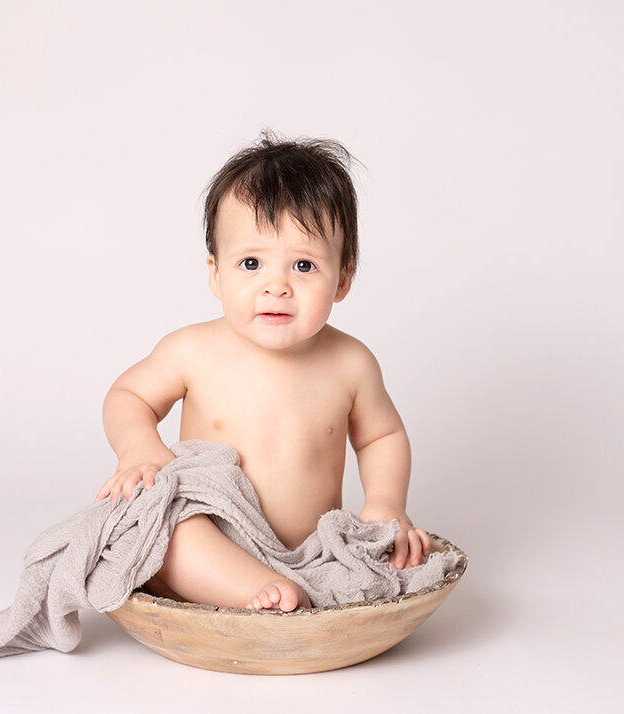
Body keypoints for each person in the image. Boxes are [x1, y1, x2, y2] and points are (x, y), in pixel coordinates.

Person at [95, 132, 430, 612]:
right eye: (251, 263)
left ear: (343, 279)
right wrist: (139, 449)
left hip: (308, 552)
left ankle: (278, 585)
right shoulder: (193, 349)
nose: (276, 287)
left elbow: (382, 437)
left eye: (304, 265)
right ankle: (246, 587)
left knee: (394, 555)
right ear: (216, 273)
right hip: (211, 532)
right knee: (160, 529)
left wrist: (385, 502)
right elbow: (129, 395)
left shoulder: (350, 363)